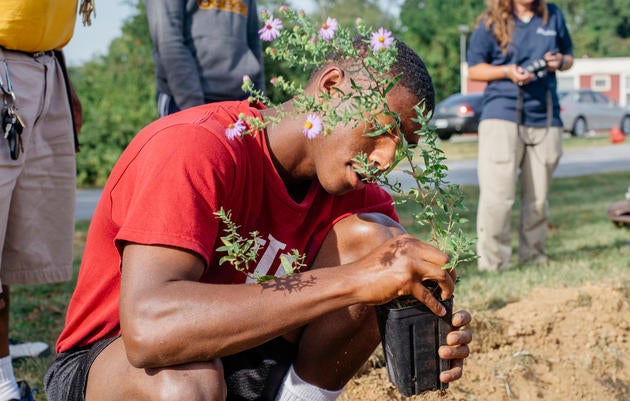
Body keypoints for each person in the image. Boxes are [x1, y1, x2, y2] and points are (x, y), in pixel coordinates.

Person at [44, 37, 472, 401]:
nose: (386, 158)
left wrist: (429, 326)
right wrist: (356, 280)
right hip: (122, 364)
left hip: (250, 355)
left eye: (404, 144)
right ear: (332, 87)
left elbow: (386, 277)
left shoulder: (356, 194)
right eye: (383, 130)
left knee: (384, 244)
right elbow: (149, 331)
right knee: (187, 384)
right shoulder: (197, 147)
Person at [0, 0, 90, 400]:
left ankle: (3, 369)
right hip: (6, 61)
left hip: (45, 63)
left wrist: (62, 74)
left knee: (14, 238)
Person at [467, 0, 574, 271]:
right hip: (501, 113)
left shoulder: (553, 15)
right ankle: (494, 262)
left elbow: (569, 56)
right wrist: (507, 71)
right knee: (498, 196)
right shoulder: (492, 20)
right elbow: (475, 68)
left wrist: (560, 61)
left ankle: (534, 256)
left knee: (538, 197)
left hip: (545, 115)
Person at [146, 0, 266, 117]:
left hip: (241, 98)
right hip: (186, 100)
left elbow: (254, 43)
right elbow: (169, 42)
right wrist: (194, 109)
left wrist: (260, 104)